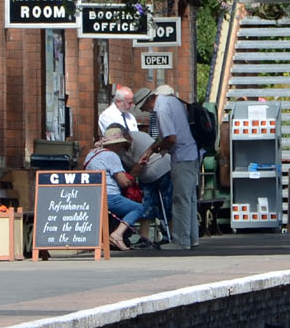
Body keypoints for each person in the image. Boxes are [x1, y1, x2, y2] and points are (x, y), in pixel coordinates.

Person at [147, 82, 203, 249]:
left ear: (149, 101)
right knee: (190, 199)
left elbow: (171, 138)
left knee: (180, 200)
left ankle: (181, 241)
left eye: (144, 108)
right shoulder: (176, 102)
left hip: (182, 156)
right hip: (193, 153)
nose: (146, 111)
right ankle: (193, 238)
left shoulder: (162, 109)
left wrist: (157, 148)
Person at [84, 123, 150, 251]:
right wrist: (134, 174)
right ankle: (117, 235)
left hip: (92, 196)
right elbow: (123, 182)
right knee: (139, 208)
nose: (121, 147)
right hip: (109, 196)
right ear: (114, 144)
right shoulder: (111, 156)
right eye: (120, 144)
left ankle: (103, 239)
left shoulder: (91, 154)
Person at [130, 99, 173, 244]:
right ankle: (145, 237)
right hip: (146, 177)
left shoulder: (160, 112)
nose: (144, 110)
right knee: (147, 206)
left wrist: (132, 175)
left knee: (166, 203)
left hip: (161, 168)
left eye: (143, 106)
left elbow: (140, 163)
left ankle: (171, 235)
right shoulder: (155, 114)